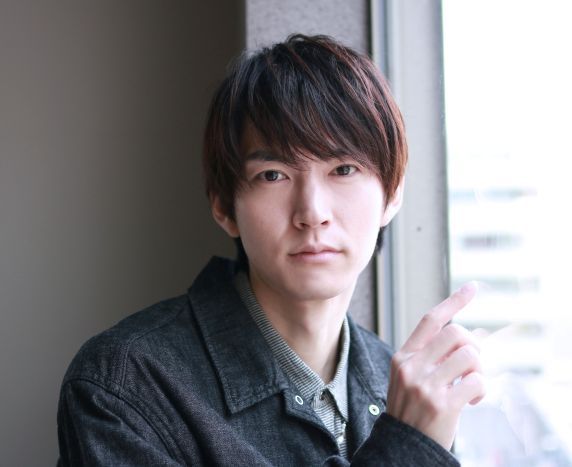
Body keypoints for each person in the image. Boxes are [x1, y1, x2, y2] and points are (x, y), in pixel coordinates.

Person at [57, 34, 485, 466]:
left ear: (392, 195)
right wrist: (407, 448)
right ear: (224, 206)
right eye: (273, 175)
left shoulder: (404, 389)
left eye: (343, 169)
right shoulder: (125, 384)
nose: (312, 213)